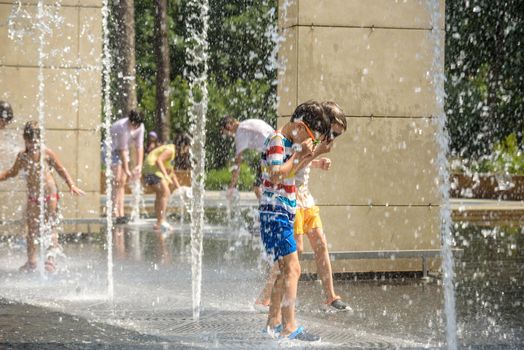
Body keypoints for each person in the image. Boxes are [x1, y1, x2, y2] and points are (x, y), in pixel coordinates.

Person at [256, 101, 351, 311]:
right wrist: (315, 155)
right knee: (294, 250)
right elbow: (290, 165)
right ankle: (266, 298)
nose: (332, 138)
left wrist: (317, 161)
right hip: (291, 197)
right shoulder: (298, 136)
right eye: (332, 132)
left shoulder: (310, 137)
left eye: (337, 135)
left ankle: (331, 296)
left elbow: (299, 163)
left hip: (304, 196)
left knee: (320, 243)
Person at [259, 100, 330, 341]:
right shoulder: (278, 140)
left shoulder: (287, 142)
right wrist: (301, 153)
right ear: (300, 125)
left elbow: (290, 171)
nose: (309, 141)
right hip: (275, 212)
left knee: (283, 268)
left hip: (280, 212)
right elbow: (276, 175)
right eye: (310, 136)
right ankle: (289, 326)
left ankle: (273, 322)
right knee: (293, 268)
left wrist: (312, 153)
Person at [0, 121, 85, 272]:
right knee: (31, 229)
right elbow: (12, 172)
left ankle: (50, 259)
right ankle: (31, 261)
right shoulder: (22, 157)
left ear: (40, 139)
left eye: (35, 142)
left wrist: (71, 185)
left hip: (50, 194)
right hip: (33, 196)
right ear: (24, 139)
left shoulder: (46, 152)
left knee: (50, 225)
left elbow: (60, 169)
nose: (33, 145)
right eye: (29, 141)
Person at [142, 133, 191, 232]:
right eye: (188, 147)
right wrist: (165, 175)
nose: (188, 150)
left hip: (148, 170)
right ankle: (162, 221)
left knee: (160, 194)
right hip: (151, 170)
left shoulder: (173, 153)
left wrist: (178, 188)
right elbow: (158, 161)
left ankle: (158, 222)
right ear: (183, 145)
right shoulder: (171, 150)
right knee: (165, 192)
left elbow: (171, 173)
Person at [219, 116, 274, 200]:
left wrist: (231, 187)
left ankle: (267, 209)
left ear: (228, 126)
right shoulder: (247, 123)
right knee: (267, 186)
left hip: (271, 153)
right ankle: (267, 207)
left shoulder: (240, 133)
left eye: (226, 132)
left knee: (257, 187)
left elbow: (238, 164)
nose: (229, 135)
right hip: (276, 147)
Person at [110, 110, 145, 224]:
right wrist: (127, 169)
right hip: (111, 150)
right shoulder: (122, 127)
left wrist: (139, 165)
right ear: (130, 121)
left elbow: (139, 146)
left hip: (123, 151)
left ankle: (121, 212)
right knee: (117, 180)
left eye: (137, 125)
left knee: (123, 182)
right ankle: (115, 212)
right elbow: (122, 149)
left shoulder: (140, 127)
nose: (135, 127)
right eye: (133, 124)